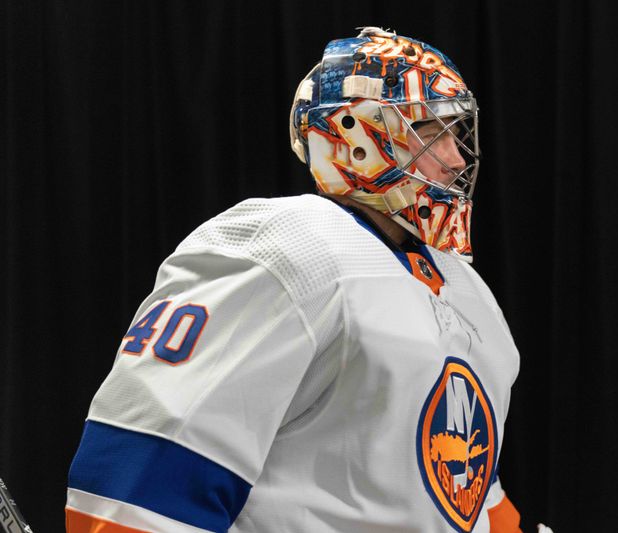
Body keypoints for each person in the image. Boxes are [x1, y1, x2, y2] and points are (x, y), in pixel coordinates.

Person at [65, 27, 550, 533]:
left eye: (456, 134)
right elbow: (141, 485)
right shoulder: (281, 246)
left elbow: (469, 499)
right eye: (429, 132)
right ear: (353, 132)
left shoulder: (467, 287)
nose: (454, 159)